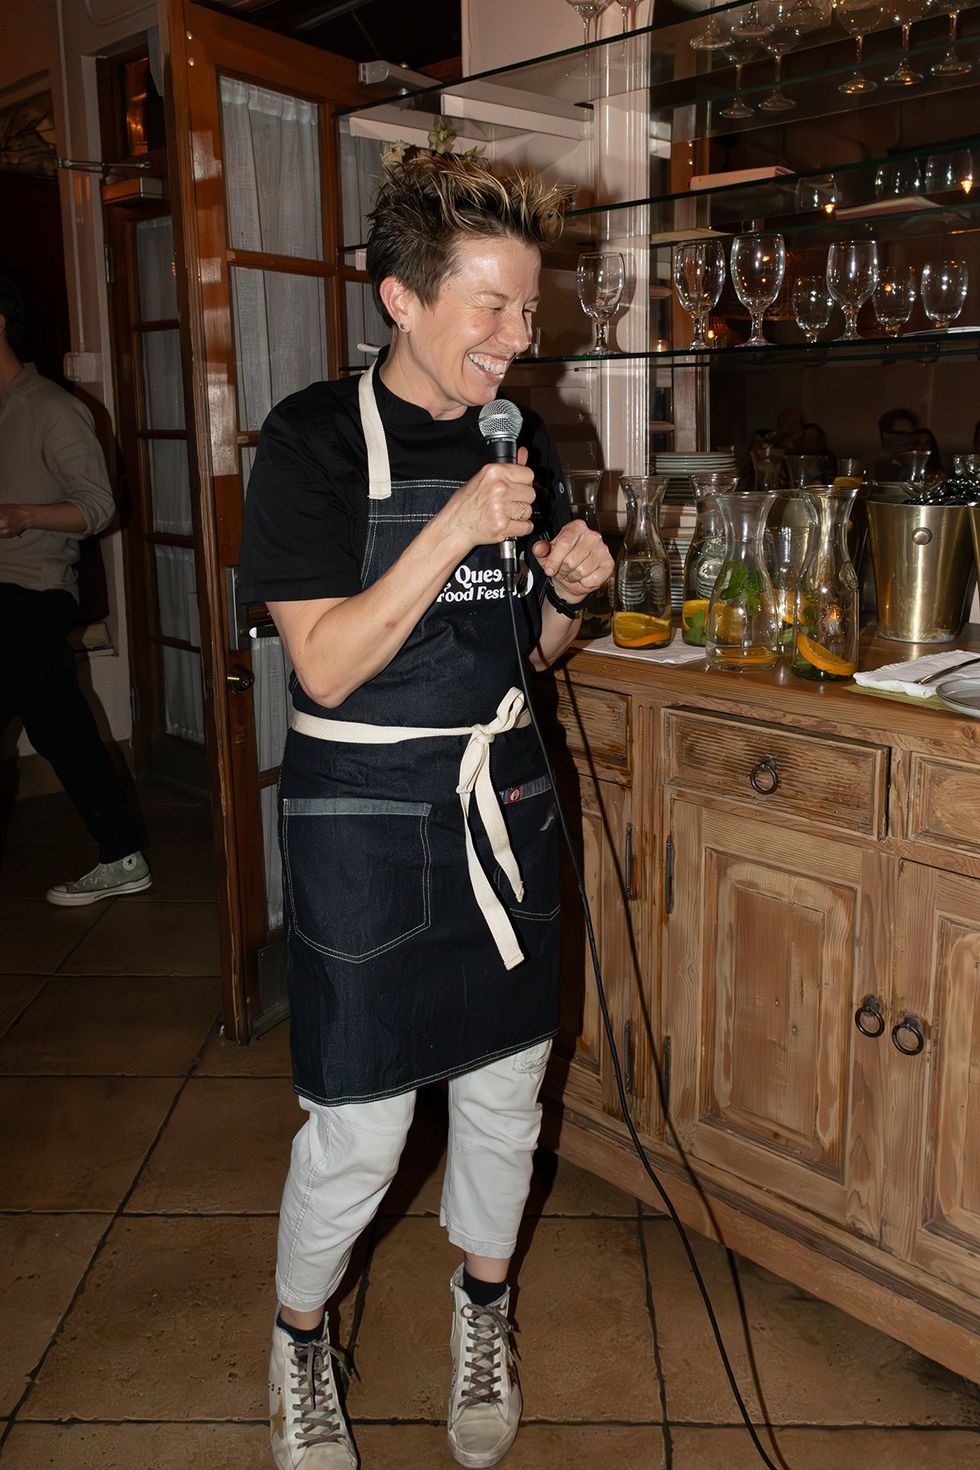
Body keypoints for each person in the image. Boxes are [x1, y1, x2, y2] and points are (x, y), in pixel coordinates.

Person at [237, 154, 613, 1470]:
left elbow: (529, 656)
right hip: (363, 813)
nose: (519, 337)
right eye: (491, 305)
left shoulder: (521, 439)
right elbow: (327, 665)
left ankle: (483, 1309)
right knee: (363, 1124)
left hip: (501, 795)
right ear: (401, 297)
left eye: (527, 308)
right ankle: (297, 1340)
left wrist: (565, 592)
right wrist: (453, 527)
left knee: (507, 1093)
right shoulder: (311, 442)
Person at [0, 275, 149, 904]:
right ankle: (123, 855)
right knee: (63, 728)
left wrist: (23, 516)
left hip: (31, 591)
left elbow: (98, 506)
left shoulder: (52, 408)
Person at [872, 406, 918, 482]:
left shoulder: (916, 463)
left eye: (911, 434)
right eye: (900, 433)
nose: (907, 439)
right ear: (885, 435)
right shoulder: (876, 464)